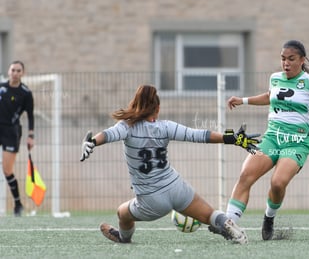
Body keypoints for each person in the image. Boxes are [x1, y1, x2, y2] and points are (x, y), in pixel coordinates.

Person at [80, 84, 260, 244]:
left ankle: (123, 238)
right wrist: (231, 138)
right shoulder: (166, 126)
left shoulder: (126, 126)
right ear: (157, 109)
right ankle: (227, 224)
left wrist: (92, 142)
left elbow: (108, 134)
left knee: (122, 213)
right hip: (176, 187)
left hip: (151, 200)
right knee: (210, 215)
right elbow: (199, 135)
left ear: (134, 105)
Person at [211, 40, 309, 240]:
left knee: (278, 183)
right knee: (246, 175)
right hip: (272, 138)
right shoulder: (275, 78)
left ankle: (269, 217)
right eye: (283, 59)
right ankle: (229, 224)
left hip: (296, 142)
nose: (285, 63)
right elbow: (270, 96)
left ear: (302, 60)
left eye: (291, 59)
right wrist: (242, 100)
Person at [0, 60, 34, 217]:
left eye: (18, 70)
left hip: (11, 132)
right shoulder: (2, 88)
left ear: (23, 73)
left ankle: (18, 204)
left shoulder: (25, 93)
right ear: (8, 71)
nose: (15, 73)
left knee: (7, 170)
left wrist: (31, 136)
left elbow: (30, 115)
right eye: (13, 70)